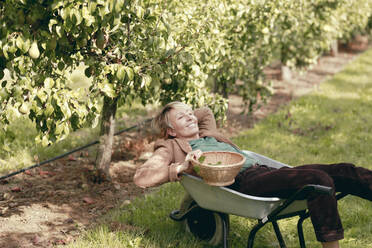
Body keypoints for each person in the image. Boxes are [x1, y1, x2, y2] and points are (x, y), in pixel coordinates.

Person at [133, 101, 372, 248]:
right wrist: (181, 168)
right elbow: (142, 178)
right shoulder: (171, 147)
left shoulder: (207, 134)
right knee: (319, 181)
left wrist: (182, 114)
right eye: (182, 118)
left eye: (189, 113)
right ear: (170, 131)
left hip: (268, 173)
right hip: (244, 184)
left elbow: (204, 112)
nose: (191, 117)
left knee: (344, 169)